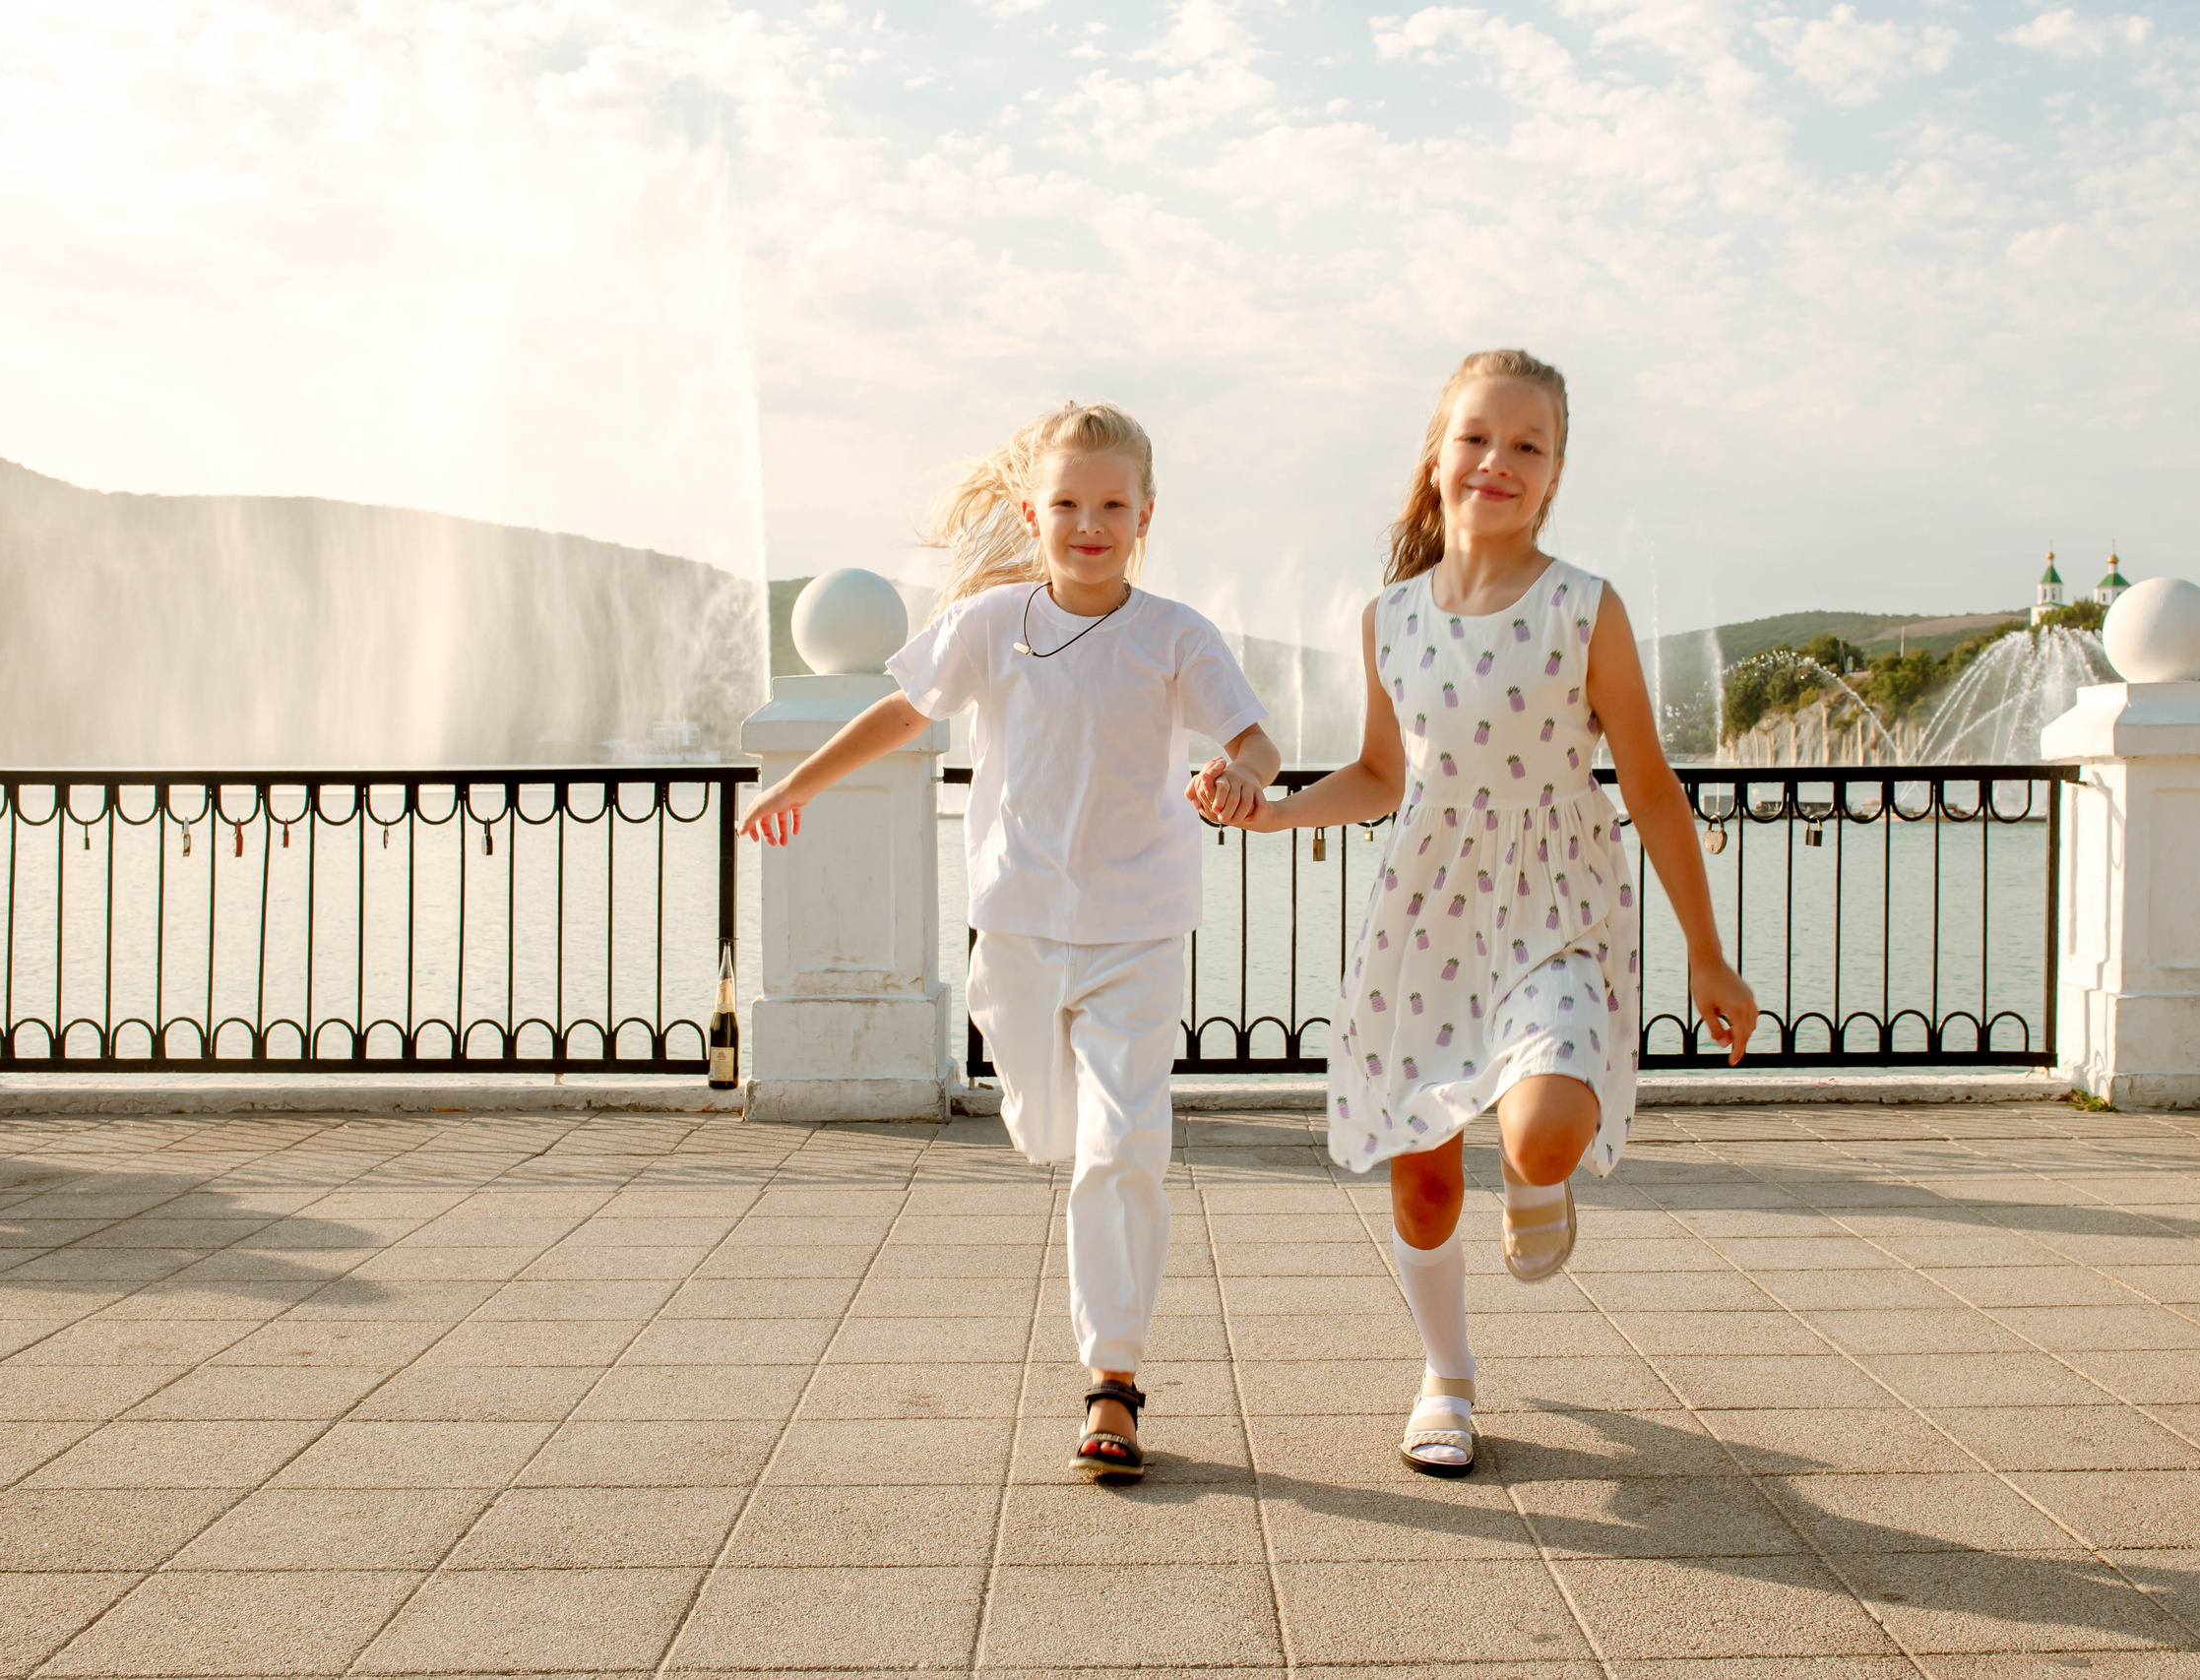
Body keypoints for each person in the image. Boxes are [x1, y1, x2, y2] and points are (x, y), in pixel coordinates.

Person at [1198, 349, 1754, 1475]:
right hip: (1427, 910)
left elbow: (1647, 784)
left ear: (1553, 477)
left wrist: (1709, 954)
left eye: (1527, 446)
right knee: (1426, 1170)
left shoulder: (1581, 608)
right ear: (1437, 456)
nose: (1497, 461)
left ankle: (1541, 1184)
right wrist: (1270, 814)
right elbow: (1378, 777)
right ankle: (1444, 1380)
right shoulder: (1388, 618)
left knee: (1542, 1125)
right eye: (1476, 438)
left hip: (1556, 899)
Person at [742, 401, 1279, 1484]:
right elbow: (902, 715)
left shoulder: (1177, 634)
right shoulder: (992, 625)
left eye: (1113, 505)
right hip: (1021, 925)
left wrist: (1241, 775)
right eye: (1070, 504)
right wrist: (799, 779)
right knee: (1045, 1125)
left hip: (1137, 929)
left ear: (1144, 515)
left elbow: (1255, 737)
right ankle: (1065, 1144)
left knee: (1120, 1146)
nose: (1091, 523)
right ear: (1034, 512)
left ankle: (1112, 1381)